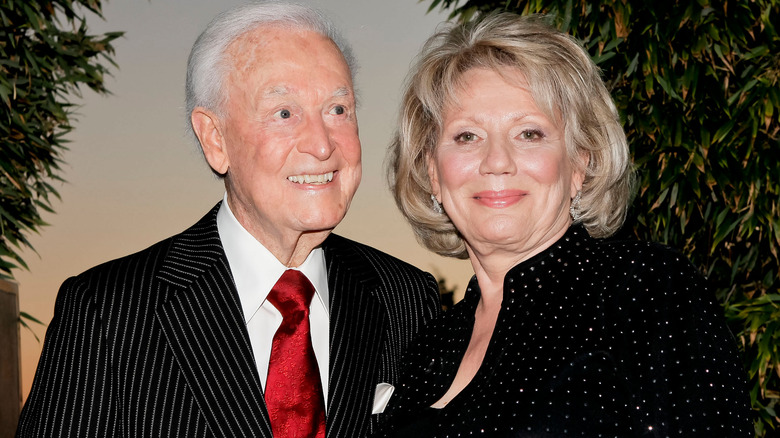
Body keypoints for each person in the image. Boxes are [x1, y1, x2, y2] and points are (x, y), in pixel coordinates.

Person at [17, 2, 440, 437]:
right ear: (215, 139)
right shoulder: (107, 312)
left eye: (338, 109)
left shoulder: (405, 298)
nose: (321, 144)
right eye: (284, 113)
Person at [375, 12, 753, 438]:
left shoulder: (647, 291)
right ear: (432, 173)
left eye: (529, 133)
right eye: (467, 136)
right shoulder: (427, 346)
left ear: (579, 163)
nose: (497, 161)